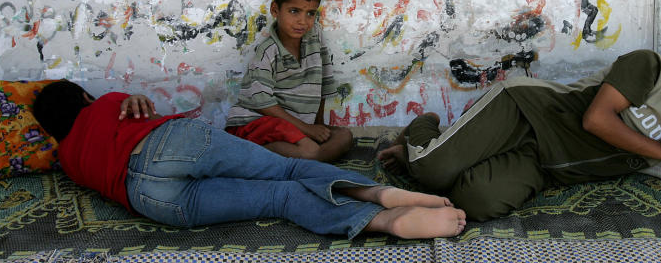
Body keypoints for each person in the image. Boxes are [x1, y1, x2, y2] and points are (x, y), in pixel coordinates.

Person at [377, 39, 661, 220]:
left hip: (545, 165)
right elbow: (596, 119)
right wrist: (659, 151)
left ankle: (446, 151)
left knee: (475, 203)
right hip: (527, 112)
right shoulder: (652, 68)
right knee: (431, 169)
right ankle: (423, 128)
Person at [32, 81, 466, 239]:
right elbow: (131, 108)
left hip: (148, 197)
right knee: (288, 168)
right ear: (84, 97)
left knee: (278, 199)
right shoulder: (107, 102)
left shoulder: (66, 159)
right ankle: (380, 193)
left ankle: (381, 223)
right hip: (165, 143)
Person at [225, 0, 352, 161]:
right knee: (308, 150)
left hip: (295, 128)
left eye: (310, 13)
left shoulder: (315, 37)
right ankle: (249, 153)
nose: (303, 21)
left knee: (344, 136)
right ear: (275, 10)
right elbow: (262, 104)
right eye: (294, 11)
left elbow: (323, 82)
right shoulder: (268, 52)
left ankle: (307, 159)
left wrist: (318, 127)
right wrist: (307, 129)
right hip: (255, 122)